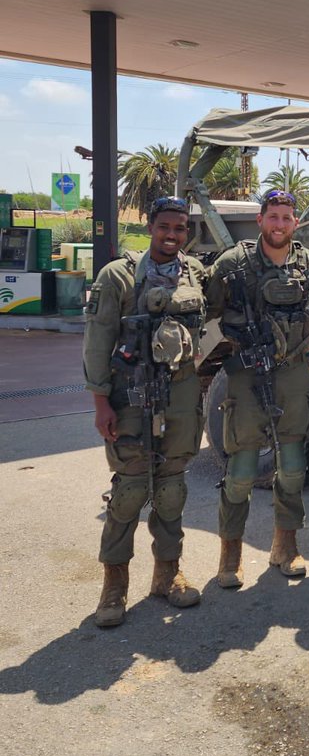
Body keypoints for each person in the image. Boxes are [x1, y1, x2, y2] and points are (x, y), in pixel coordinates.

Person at [83, 196, 207, 627]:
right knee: (130, 491)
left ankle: (167, 576)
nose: (172, 235)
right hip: (131, 396)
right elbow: (98, 341)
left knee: (172, 488)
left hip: (180, 396)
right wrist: (101, 402)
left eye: (180, 228)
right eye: (164, 227)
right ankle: (114, 585)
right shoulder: (117, 275)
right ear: (149, 227)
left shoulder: (194, 273)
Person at [205, 188, 309, 589]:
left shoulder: (308, 263)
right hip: (247, 372)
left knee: (292, 467)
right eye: (272, 216)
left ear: (295, 222)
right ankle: (230, 555)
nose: (279, 224)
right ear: (260, 220)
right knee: (240, 471)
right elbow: (206, 310)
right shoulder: (233, 265)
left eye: (286, 217)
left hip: (292, 373)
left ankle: (285, 546)